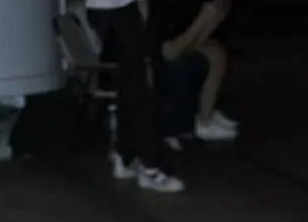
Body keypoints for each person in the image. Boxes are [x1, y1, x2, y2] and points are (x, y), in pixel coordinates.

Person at [84, 0, 184, 192]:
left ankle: (125, 153)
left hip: (113, 8)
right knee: (138, 86)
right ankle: (149, 165)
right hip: (115, 9)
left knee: (130, 82)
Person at [149, 0, 237, 143]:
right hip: (161, 52)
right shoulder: (163, 8)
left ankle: (207, 114)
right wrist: (203, 20)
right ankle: (204, 123)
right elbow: (168, 52)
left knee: (217, 52)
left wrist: (211, 22)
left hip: (178, 43)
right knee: (211, 56)